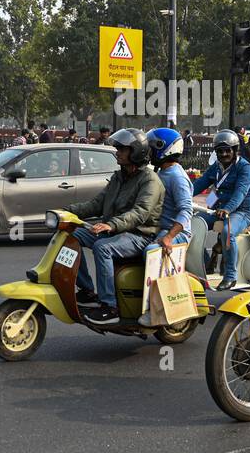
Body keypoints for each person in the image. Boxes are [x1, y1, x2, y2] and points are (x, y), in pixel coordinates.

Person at [65, 129, 164, 325]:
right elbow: (97, 204)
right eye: (117, 148)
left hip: (139, 235)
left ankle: (110, 306)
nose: (117, 152)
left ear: (136, 152)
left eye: (122, 149)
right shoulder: (119, 177)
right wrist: (67, 211)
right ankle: (86, 289)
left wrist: (110, 225)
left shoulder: (150, 180)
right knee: (71, 236)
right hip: (116, 229)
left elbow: (140, 213)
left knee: (103, 248)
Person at [140, 128, 194, 327]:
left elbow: (186, 211)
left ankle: (152, 310)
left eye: (153, 147)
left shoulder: (177, 177)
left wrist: (170, 237)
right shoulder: (162, 171)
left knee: (151, 253)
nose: (150, 152)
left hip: (176, 232)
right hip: (159, 227)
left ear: (165, 149)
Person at [191, 130, 250, 289]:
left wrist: (227, 209)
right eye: (220, 151)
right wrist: (181, 195)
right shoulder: (216, 167)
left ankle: (230, 276)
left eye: (228, 150)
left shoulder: (244, 168)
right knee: (191, 223)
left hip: (241, 212)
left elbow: (240, 192)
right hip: (217, 210)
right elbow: (200, 184)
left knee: (227, 233)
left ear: (235, 150)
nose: (224, 154)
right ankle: (205, 264)